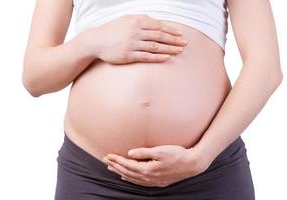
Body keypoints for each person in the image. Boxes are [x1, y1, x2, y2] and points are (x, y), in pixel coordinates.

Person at [22, 0, 283, 199]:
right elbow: (35, 78)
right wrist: (90, 42)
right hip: (95, 178)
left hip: (208, 172)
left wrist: (202, 156)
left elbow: (266, 67)